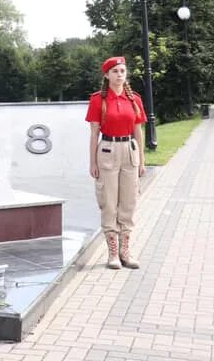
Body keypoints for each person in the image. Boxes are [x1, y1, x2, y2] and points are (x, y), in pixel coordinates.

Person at [85, 56, 147, 270]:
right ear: (107, 75)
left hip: (130, 151)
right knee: (109, 202)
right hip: (107, 151)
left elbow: (138, 132)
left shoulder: (135, 99)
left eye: (122, 71)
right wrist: (92, 162)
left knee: (128, 202)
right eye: (115, 71)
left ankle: (125, 251)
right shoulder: (98, 100)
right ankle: (112, 252)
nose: (120, 74)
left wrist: (142, 161)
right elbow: (94, 134)